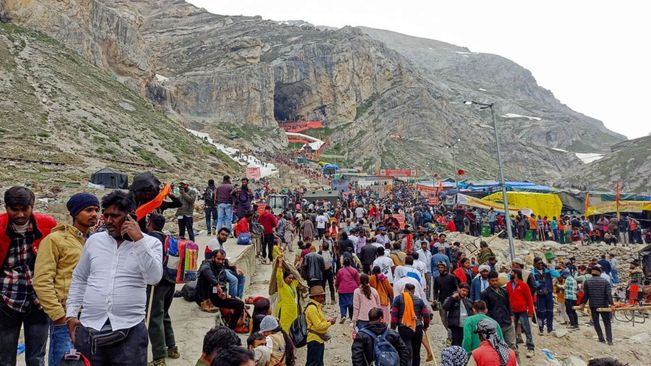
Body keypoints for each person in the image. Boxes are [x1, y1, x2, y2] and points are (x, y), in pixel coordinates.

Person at [65, 190, 163, 365]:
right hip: (90, 329)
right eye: (106, 215)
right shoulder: (95, 241)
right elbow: (80, 278)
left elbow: (154, 278)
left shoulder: (150, 244)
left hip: (130, 331)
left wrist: (138, 240)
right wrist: (71, 315)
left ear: (130, 217)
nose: (108, 221)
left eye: (115, 216)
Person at [31, 193, 98, 366]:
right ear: (75, 213)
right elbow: (42, 280)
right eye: (88, 210)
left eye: (96, 210)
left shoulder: (97, 241)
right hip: (66, 317)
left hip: (92, 317)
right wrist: (59, 317)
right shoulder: (55, 240)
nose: (94, 214)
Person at [0, 186, 57, 366]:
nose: (19, 214)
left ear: (32, 206)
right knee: (5, 358)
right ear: (6, 207)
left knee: (37, 358)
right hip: (6, 299)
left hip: (39, 300)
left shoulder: (47, 225)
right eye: (14, 210)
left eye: (24, 209)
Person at [145, 213, 180, 365]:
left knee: (154, 319)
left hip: (158, 283)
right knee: (164, 314)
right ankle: (172, 348)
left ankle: (159, 358)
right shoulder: (167, 237)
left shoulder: (152, 238)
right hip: (171, 281)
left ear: (149, 223)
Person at [196, 249, 245, 329]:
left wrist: (224, 293)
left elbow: (227, 272)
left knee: (240, 304)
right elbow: (205, 271)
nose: (220, 261)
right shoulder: (206, 264)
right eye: (218, 259)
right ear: (213, 258)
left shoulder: (222, 265)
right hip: (206, 297)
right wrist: (217, 285)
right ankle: (205, 303)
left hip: (217, 296)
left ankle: (230, 329)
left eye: (222, 259)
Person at [390, 283, 431, 366]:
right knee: (416, 352)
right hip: (417, 327)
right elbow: (426, 315)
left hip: (404, 328)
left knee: (407, 351)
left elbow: (394, 315)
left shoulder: (398, 299)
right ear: (413, 291)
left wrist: (393, 328)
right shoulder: (419, 300)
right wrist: (425, 326)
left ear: (405, 289)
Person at [480, 271, 516, 353]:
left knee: (512, 346)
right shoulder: (485, 294)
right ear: (488, 281)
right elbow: (485, 310)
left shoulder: (504, 291)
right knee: (497, 348)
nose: (495, 283)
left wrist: (511, 315)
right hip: (495, 324)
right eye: (492, 281)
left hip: (507, 322)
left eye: (496, 280)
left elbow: (508, 305)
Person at [578, 264, 614, 345]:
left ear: (592, 273)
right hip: (604, 305)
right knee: (607, 322)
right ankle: (610, 340)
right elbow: (608, 294)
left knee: (596, 322)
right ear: (600, 273)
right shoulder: (605, 282)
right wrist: (612, 304)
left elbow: (586, 295)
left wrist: (582, 304)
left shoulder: (587, 282)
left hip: (593, 305)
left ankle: (601, 339)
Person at [505, 268, 535, 357]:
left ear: (517, 274)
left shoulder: (523, 285)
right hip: (512, 311)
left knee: (526, 329)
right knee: (512, 330)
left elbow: (529, 298)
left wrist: (530, 311)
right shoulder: (508, 285)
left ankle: (531, 348)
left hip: (522, 311)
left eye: (512, 272)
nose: (511, 274)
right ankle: (515, 348)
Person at [305, 285, 336, 366]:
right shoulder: (312, 308)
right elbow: (318, 326)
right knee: (314, 363)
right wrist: (330, 323)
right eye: (321, 296)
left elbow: (319, 321)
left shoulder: (317, 306)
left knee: (318, 362)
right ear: (315, 297)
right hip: (314, 339)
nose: (322, 298)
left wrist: (327, 321)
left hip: (319, 339)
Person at [532, 258, 559, 335]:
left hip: (549, 294)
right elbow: (532, 284)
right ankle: (541, 328)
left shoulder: (547, 271)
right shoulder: (533, 272)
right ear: (534, 264)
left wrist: (548, 267)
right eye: (538, 263)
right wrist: (539, 282)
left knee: (550, 312)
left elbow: (557, 274)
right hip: (540, 295)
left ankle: (550, 328)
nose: (540, 265)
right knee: (541, 313)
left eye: (541, 263)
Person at [433, 261, 458, 341]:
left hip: (451, 301)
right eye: (439, 267)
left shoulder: (451, 277)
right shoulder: (437, 279)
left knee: (450, 318)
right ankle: (449, 332)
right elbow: (435, 290)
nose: (440, 269)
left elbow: (456, 288)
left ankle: (451, 336)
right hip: (441, 301)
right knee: (443, 319)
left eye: (441, 267)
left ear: (445, 268)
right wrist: (435, 299)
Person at [274, 256, 299, 332]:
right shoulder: (281, 285)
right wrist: (280, 264)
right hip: (284, 311)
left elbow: (297, 276)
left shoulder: (293, 285)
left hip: (293, 311)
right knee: (284, 329)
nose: (291, 280)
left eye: (291, 278)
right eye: (289, 278)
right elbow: (279, 275)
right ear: (284, 278)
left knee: (292, 329)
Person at [335, 257, 360, 323]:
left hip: (342, 289)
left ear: (343, 263)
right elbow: (358, 280)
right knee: (352, 304)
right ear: (350, 263)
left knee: (342, 304)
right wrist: (359, 288)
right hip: (353, 289)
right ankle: (352, 317)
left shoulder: (340, 271)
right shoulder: (354, 270)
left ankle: (343, 315)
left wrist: (336, 287)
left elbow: (337, 280)